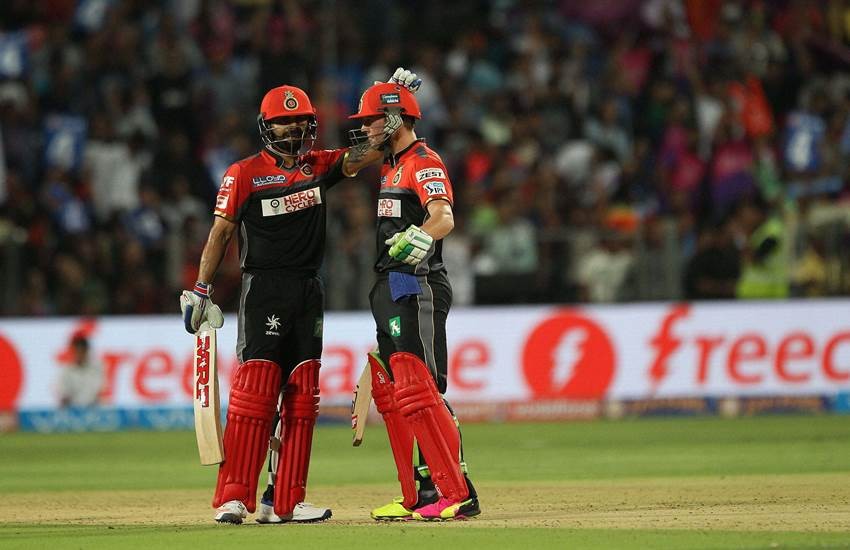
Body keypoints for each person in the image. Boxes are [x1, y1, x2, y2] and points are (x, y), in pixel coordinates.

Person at [180, 70, 422, 525]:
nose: (293, 129)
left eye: (301, 121)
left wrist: (393, 107)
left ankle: (285, 501)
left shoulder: (319, 165)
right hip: (263, 289)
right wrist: (201, 289)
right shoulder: (243, 174)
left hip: (309, 289)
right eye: (283, 122)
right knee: (255, 395)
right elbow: (220, 233)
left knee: (302, 396)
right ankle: (233, 497)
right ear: (266, 126)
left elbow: (373, 151)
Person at [348, 82, 481, 521]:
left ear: (393, 120)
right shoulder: (392, 164)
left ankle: (459, 491)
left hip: (416, 283)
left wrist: (423, 235)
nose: (365, 128)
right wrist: (390, 93)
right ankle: (421, 494)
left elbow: (443, 215)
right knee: (401, 394)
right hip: (390, 284)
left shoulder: (424, 161)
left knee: (423, 391)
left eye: (371, 120)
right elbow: (355, 157)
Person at [57, 334, 103, 408]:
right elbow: (64, 395)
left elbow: (100, 392)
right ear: (73, 352)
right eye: (77, 351)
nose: (79, 354)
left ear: (87, 351)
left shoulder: (97, 369)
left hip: (93, 409)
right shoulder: (66, 371)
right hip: (72, 410)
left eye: (82, 351)